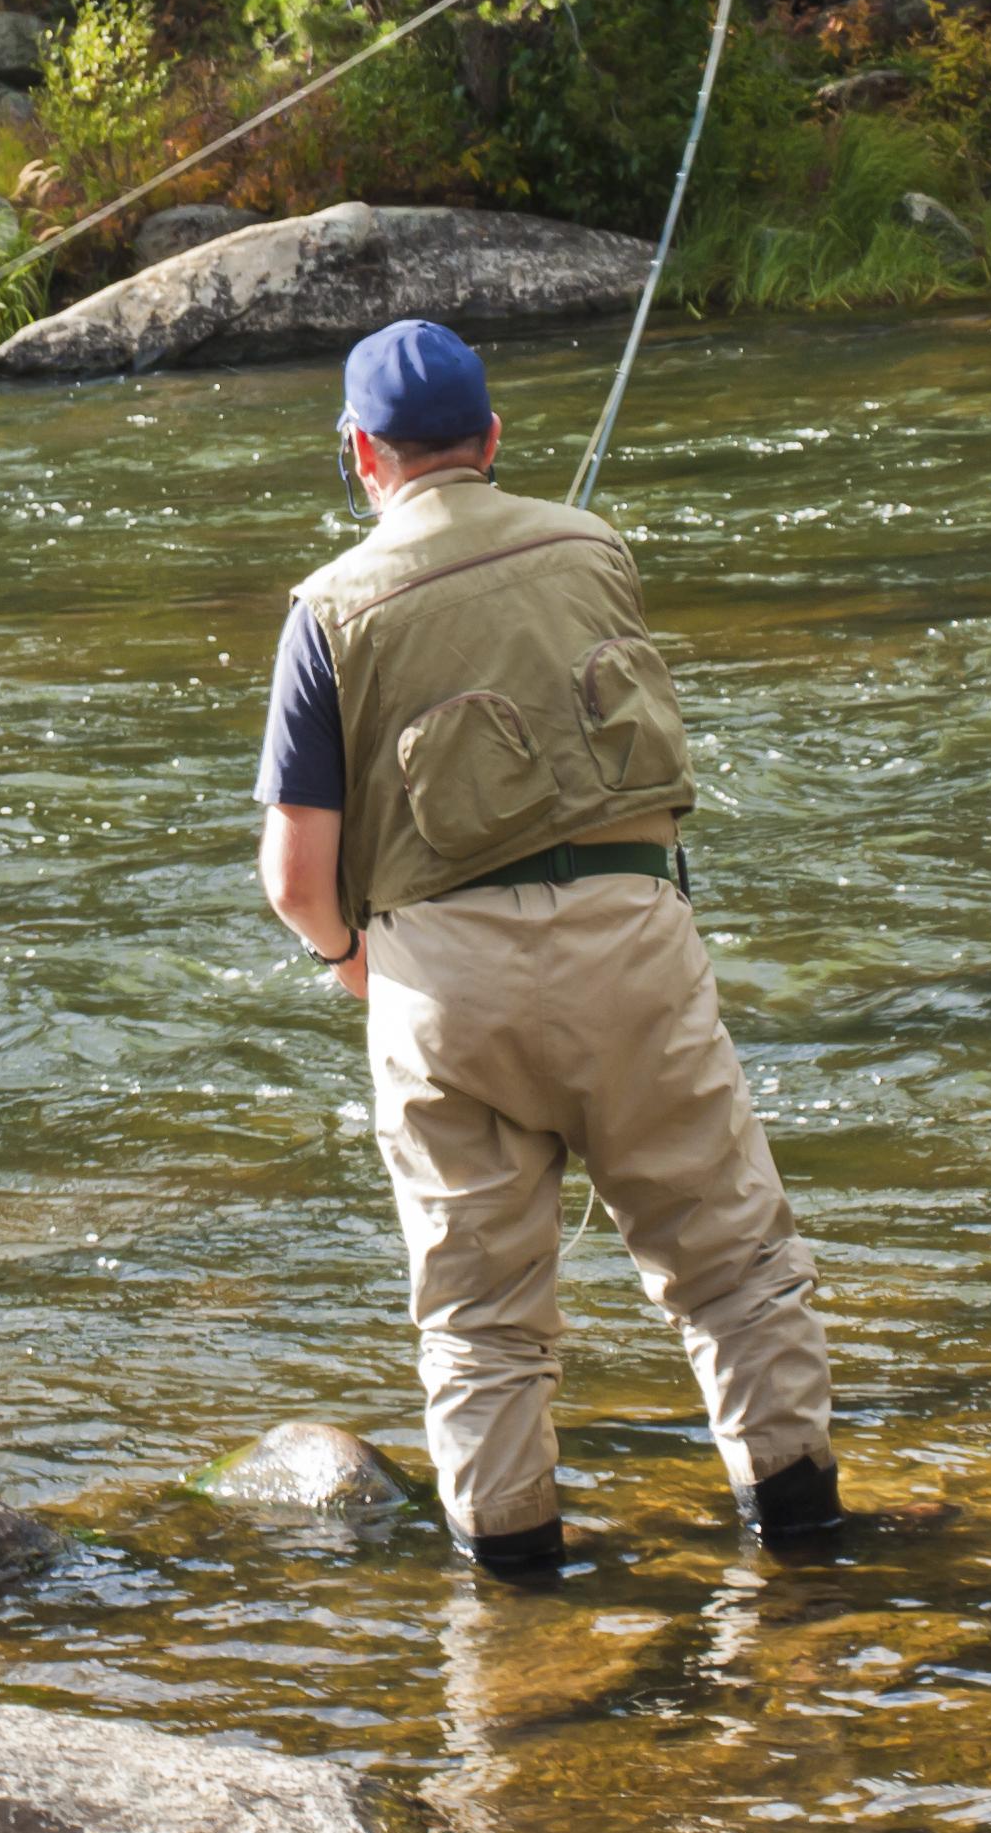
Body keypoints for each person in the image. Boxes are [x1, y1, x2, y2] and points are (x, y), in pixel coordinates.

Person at [252, 318, 839, 1575]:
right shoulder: (595, 544)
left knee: (480, 1326)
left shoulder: (325, 610)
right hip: (634, 945)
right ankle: (806, 1547)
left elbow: (297, 880)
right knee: (732, 1265)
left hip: (441, 989)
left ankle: (514, 1617)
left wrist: (352, 964)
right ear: (496, 440)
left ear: (361, 455)